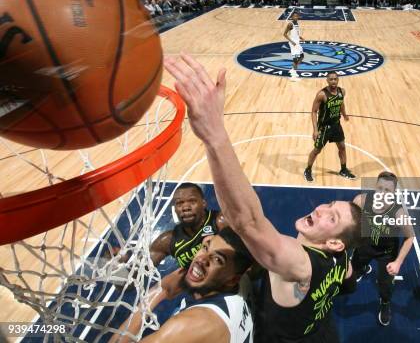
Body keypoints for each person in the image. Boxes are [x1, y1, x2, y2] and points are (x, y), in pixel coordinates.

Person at [164, 54, 362, 342]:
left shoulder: (300, 264)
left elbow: (247, 222)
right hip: (318, 330)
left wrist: (213, 134)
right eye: (329, 205)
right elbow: (348, 275)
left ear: (333, 242)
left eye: (331, 217)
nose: (320, 209)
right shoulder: (342, 257)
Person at [111, 228, 254, 343]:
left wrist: (159, 291)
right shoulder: (243, 282)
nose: (201, 259)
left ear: (232, 280)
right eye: (206, 247)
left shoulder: (188, 326)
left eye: (217, 259)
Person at [351, 171, 414, 326]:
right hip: (365, 246)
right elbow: (352, 223)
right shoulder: (360, 201)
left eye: (388, 190)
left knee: (385, 286)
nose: (382, 193)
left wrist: (398, 262)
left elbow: (410, 238)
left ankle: (385, 303)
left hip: (386, 253)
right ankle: (363, 268)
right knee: (354, 269)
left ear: (394, 193)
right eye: (380, 188)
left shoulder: (399, 214)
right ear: (375, 187)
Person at [149, 183, 225, 268]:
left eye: (192, 201)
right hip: (194, 279)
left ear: (203, 203)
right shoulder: (167, 241)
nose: (185, 207)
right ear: (174, 209)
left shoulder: (221, 222)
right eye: (179, 203)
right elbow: (141, 268)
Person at [304, 71, 356, 182]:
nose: (333, 81)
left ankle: (343, 169)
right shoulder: (322, 94)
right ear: (327, 80)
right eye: (331, 79)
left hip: (336, 125)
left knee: (342, 147)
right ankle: (308, 170)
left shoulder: (342, 91)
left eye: (335, 79)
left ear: (338, 80)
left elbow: (341, 103)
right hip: (324, 128)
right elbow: (313, 111)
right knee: (317, 151)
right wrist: (315, 130)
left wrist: (345, 115)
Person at [283, 11, 304, 82]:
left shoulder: (297, 23)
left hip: (297, 43)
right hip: (293, 44)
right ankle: (293, 77)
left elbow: (296, 33)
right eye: (294, 16)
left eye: (297, 16)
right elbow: (285, 34)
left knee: (302, 56)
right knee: (295, 59)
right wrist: (292, 42)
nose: (296, 17)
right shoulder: (290, 24)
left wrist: (300, 37)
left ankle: (292, 70)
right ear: (292, 17)